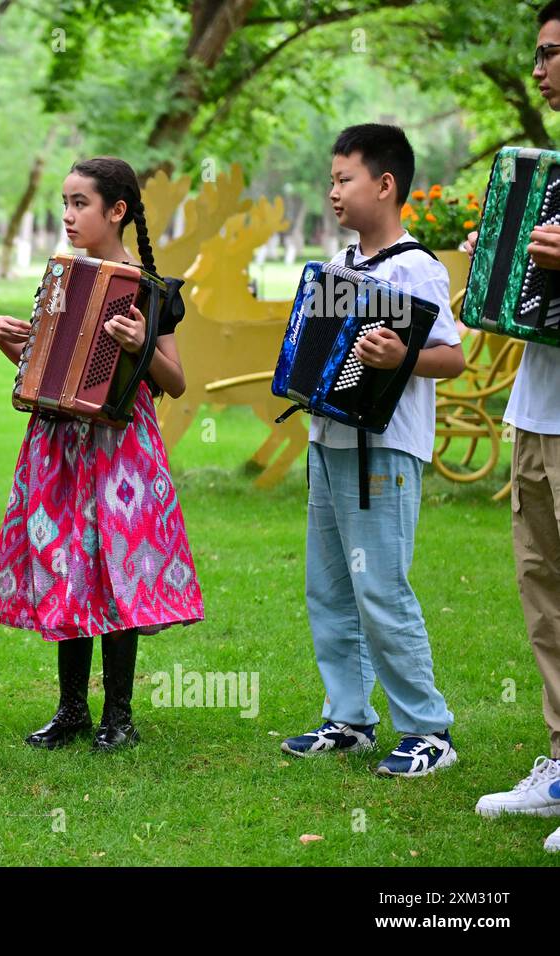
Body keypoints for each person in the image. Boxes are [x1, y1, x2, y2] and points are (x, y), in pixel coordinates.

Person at [0, 157, 204, 752]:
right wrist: (12, 346)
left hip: (121, 449)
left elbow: (176, 382)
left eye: (80, 203)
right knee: (67, 566)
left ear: (117, 211)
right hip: (58, 445)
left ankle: (120, 716)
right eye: (65, 203)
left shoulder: (152, 293)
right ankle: (72, 708)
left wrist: (141, 347)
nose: (69, 215)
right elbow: (46, 376)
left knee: (117, 572)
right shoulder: (60, 280)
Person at [280, 124, 465, 777]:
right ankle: (350, 717)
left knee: (381, 586)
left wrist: (401, 355)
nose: (333, 192)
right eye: (330, 180)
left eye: (344, 178)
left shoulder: (416, 266)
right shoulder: (340, 267)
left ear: (386, 185)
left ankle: (428, 729)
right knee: (328, 587)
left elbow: (453, 356)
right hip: (328, 443)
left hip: (384, 453)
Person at [469, 0, 560, 852]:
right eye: (537, 53)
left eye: (552, 53)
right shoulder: (544, 171)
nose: (539, 68)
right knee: (544, 596)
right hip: (537, 412)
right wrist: (495, 250)